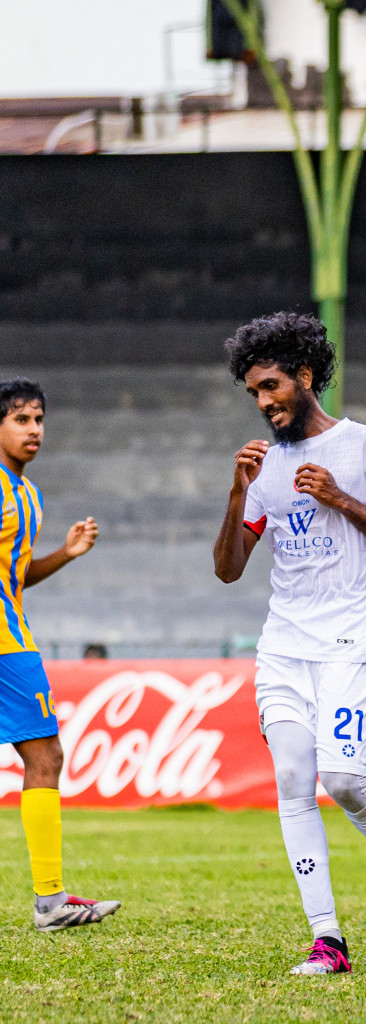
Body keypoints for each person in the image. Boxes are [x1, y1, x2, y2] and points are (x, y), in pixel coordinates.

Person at [211, 313, 366, 975]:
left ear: (306, 376)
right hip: (283, 645)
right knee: (291, 778)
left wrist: (340, 499)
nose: (264, 401)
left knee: (342, 778)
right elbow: (229, 568)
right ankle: (327, 939)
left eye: (272, 385)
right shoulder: (265, 468)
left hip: (351, 641)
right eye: (254, 392)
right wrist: (236, 494)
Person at [0, 377, 119, 931]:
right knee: (45, 757)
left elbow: (16, 577)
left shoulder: (27, 493)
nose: (34, 430)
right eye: (21, 419)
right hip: (7, 646)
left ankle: (52, 900)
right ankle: (49, 900)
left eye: (39, 420)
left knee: (45, 757)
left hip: (12, 633)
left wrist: (66, 555)